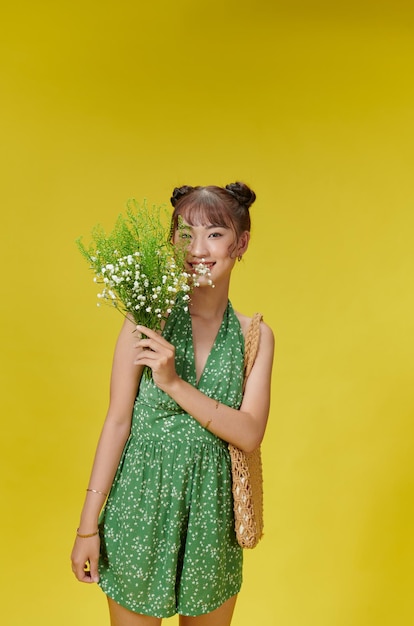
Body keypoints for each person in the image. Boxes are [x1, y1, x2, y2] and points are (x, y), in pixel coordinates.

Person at [71, 182, 275, 626]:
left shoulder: (253, 336)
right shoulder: (146, 319)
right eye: (185, 234)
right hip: (138, 506)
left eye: (215, 234)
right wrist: (88, 525)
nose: (198, 249)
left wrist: (173, 382)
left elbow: (249, 432)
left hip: (211, 519)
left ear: (241, 243)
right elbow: (117, 422)